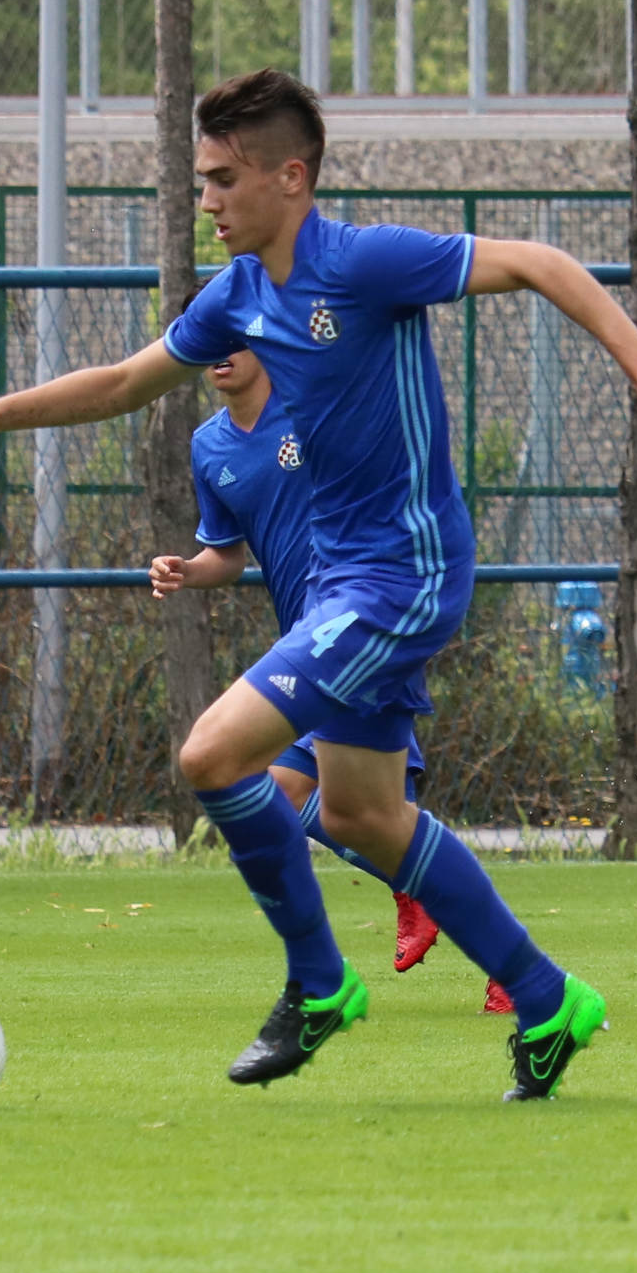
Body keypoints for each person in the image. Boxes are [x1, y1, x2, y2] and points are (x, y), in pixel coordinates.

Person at [0, 70, 637, 1099]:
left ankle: (319, 983)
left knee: (211, 754)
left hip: (403, 575)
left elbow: (539, 262)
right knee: (361, 816)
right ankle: (548, 1001)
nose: (208, 200)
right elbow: (123, 382)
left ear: (290, 177)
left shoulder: (363, 263)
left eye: (224, 179)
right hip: (340, 587)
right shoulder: (238, 296)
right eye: (202, 179)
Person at [146, 350, 511, 1015]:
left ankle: (459, 943)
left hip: (361, 623)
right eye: (209, 340)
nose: (221, 352)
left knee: (301, 798)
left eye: (234, 335)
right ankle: (487, 948)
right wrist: (187, 570)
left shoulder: (314, 408)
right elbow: (226, 553)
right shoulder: (209, 446)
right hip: (307, 642)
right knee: (359, 817)